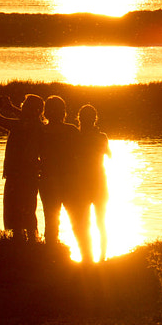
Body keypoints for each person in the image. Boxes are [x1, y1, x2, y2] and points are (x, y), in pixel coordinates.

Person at [0, 93, 44, 243]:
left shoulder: (20, 125)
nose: (22, 106)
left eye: (24, 104)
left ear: (30, 108)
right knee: (29, 210)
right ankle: (32, 240)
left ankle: (17, 241)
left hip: (16, 175)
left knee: (13, 211)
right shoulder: (38, 126)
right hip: (31, 176)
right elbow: (30, 117)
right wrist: (11, 108)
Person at [69, 103, 112, 263]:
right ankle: (101, 258)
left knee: (84, 223)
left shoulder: (75, 137)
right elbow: (109, 155)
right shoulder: (101, 137)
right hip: (99, 183)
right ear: (95, 119)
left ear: (79, 119)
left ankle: (88, 258)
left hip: (82, 185)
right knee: (100, 222)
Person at [38, 94, 81, 251]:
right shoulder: (71, 130)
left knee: (51, 221)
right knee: (78, 220)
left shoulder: (41, 131)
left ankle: (51, 255)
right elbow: (82, 157)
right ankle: (87, 260)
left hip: (48, 181)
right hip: (70, 181)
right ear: (63, 112)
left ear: (46, 112)